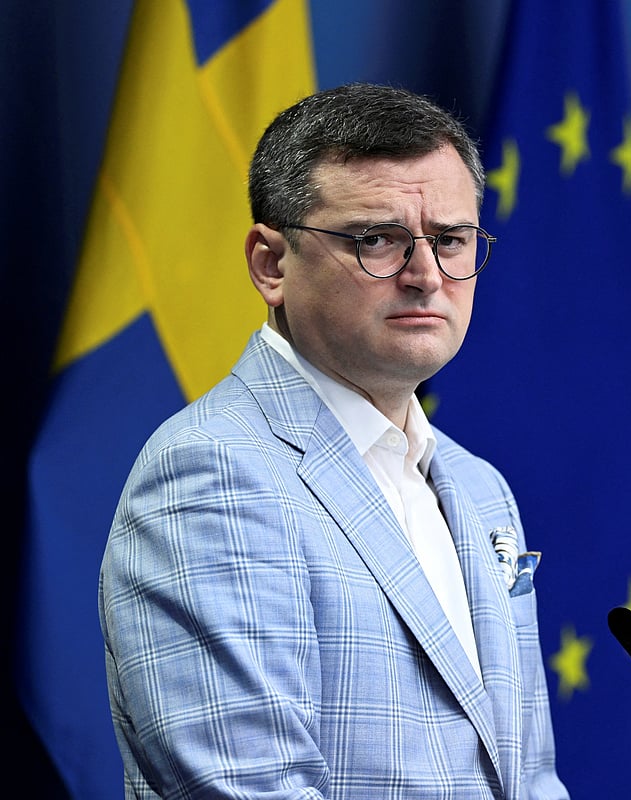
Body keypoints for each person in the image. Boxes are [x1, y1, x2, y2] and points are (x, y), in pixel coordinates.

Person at [99, 83, 569, 799]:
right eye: (377, 240)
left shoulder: (479, 488)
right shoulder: (214, 472)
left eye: (451, 241)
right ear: (271, 264)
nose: (425, 276)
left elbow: (529, 779)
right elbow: (248, 789)